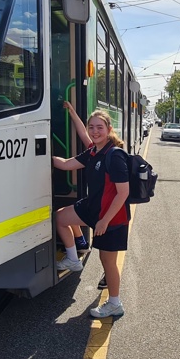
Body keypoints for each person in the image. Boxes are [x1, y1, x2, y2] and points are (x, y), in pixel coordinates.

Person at [52, 110, 130, 319]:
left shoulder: (114, 156)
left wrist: (104, 221)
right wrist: (39, 154)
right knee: (60, 217)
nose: (95, 132)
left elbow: (123, 193)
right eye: (91, 127)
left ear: (109, 129)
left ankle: (115, 304)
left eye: (100, 127)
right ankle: (73, 259)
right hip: (93, 208)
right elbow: (65, 164)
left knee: (107, 261)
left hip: (112, 217)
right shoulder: (93, 151)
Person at [62, 100, 93, 253]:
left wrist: (46, 158)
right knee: (70, 211)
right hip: (97, 202)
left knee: (60, 217)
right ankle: (81, 242)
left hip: (99, 206)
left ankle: (72, 258)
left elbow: (66, 164)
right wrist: (72, 112)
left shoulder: (96, 152)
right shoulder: (95, 148)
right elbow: (83, 133)